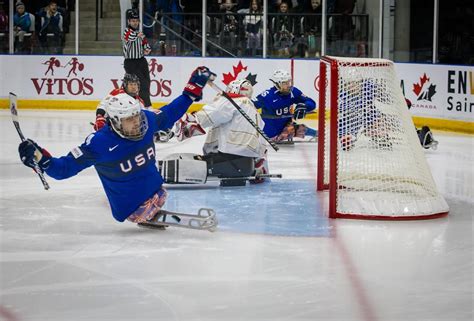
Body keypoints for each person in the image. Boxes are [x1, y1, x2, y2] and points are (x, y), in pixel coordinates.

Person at [18, 66, 216, 225]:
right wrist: (39, 158)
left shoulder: (145, 119)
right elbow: (64, 169)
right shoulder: (99, 143)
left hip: (157, 190)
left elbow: (170, 113)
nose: (136, 123)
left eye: (136, 117)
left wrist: (191, 91)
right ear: (113, 121)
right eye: (129, 120)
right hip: (131, 207)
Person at [163, 78, 270, 186]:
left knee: (180, 162)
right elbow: (262, 148)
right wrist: (257, 168)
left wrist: (190, 121)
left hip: (229, 162)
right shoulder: (255, 114)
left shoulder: (235, 101)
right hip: (246, 166)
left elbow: (211, 114)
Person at [253, 69, 317, 142]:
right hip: (268, 135)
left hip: (287, 129)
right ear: (277, 84)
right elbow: (251, 105)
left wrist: (305, 106)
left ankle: (318, 134)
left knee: (301, 129)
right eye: (285, 83)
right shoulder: (267, 95)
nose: (288, 86)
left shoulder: (293, 92)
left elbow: (312, 103)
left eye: (289, 82)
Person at [123, 9, 152, 109]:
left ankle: (142, 104)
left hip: (141, 61)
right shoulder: (127, 31)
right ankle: (147, 106)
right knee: (139, 83)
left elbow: (146, 45)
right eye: (133, 21)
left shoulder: (140, 34)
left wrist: (147, 49)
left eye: (136, 21)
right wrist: (138, 35)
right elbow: (129, 37)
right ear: (129, 22)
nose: (135, 23)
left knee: (147, 82)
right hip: (131, 62)